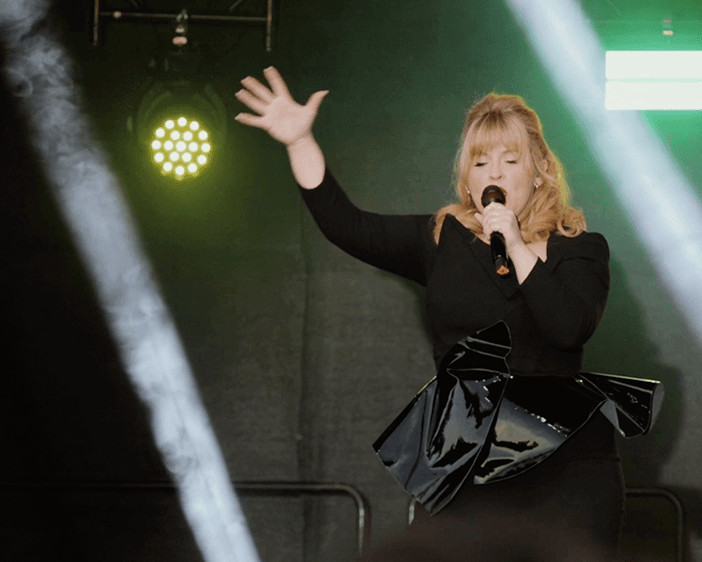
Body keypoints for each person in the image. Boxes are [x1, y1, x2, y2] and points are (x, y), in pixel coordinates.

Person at [235, 67, 662, 556]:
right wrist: (299, 141)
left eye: (509, 160)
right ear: (468, 177)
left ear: (540, 169)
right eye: (480, 162)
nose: (494, 174)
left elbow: (568, 328)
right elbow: (346, 225)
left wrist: (516, 244)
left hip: (567, 471)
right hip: (470, 461)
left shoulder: (579, 249)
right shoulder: (442, 240)